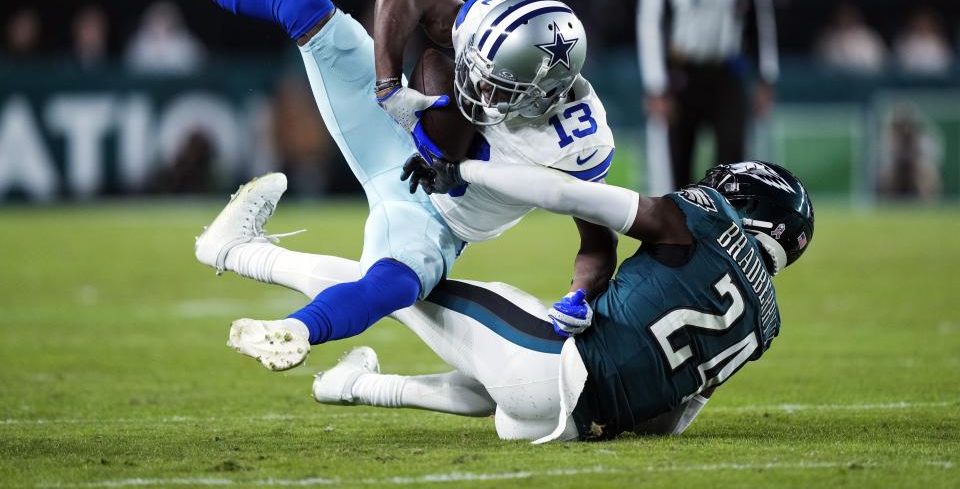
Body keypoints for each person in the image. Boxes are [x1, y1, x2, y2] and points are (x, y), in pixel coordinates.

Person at [105, 0, 618, 367]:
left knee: (393, 283)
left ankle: (295, 329)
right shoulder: (490, 28)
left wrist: (579, 297)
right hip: (398, 127)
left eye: (497, 84)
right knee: (308, 8)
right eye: (481, 67)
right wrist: (389, 86)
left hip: (436, 212)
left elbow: (597, 243)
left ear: (541, 93)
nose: (478, 82)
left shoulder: (576, 142)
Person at [213, 158, 813, 442]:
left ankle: (237, 251)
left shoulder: (701, 225)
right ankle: (354, 385)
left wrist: (467, 168)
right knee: (511, 376)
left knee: (396, 285)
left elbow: (560, 191)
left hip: (549, 367)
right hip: (577, 423)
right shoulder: (767, 324)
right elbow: (674, 416)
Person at [638, 0, 778, 194]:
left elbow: (762, 22)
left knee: (735, 166)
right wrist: (656, 85)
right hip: (681, 72)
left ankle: (729, 234)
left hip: (727, 70)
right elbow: (650, 26)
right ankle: (677, 237)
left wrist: (766, 77)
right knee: (677, 165)